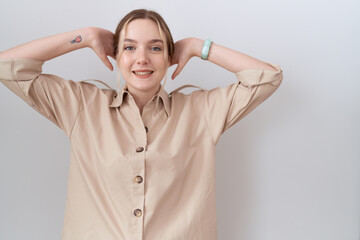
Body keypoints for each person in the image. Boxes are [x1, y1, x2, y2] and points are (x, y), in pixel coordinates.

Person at [0, 8, 283, 240]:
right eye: (129, 47)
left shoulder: (202, 111)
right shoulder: (81, 106)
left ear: (170, 57)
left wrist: (198, 47)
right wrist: (84, 36)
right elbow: (8, 66)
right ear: (116, 55)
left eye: (155, 48)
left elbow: (266, 77)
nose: (142, 59)